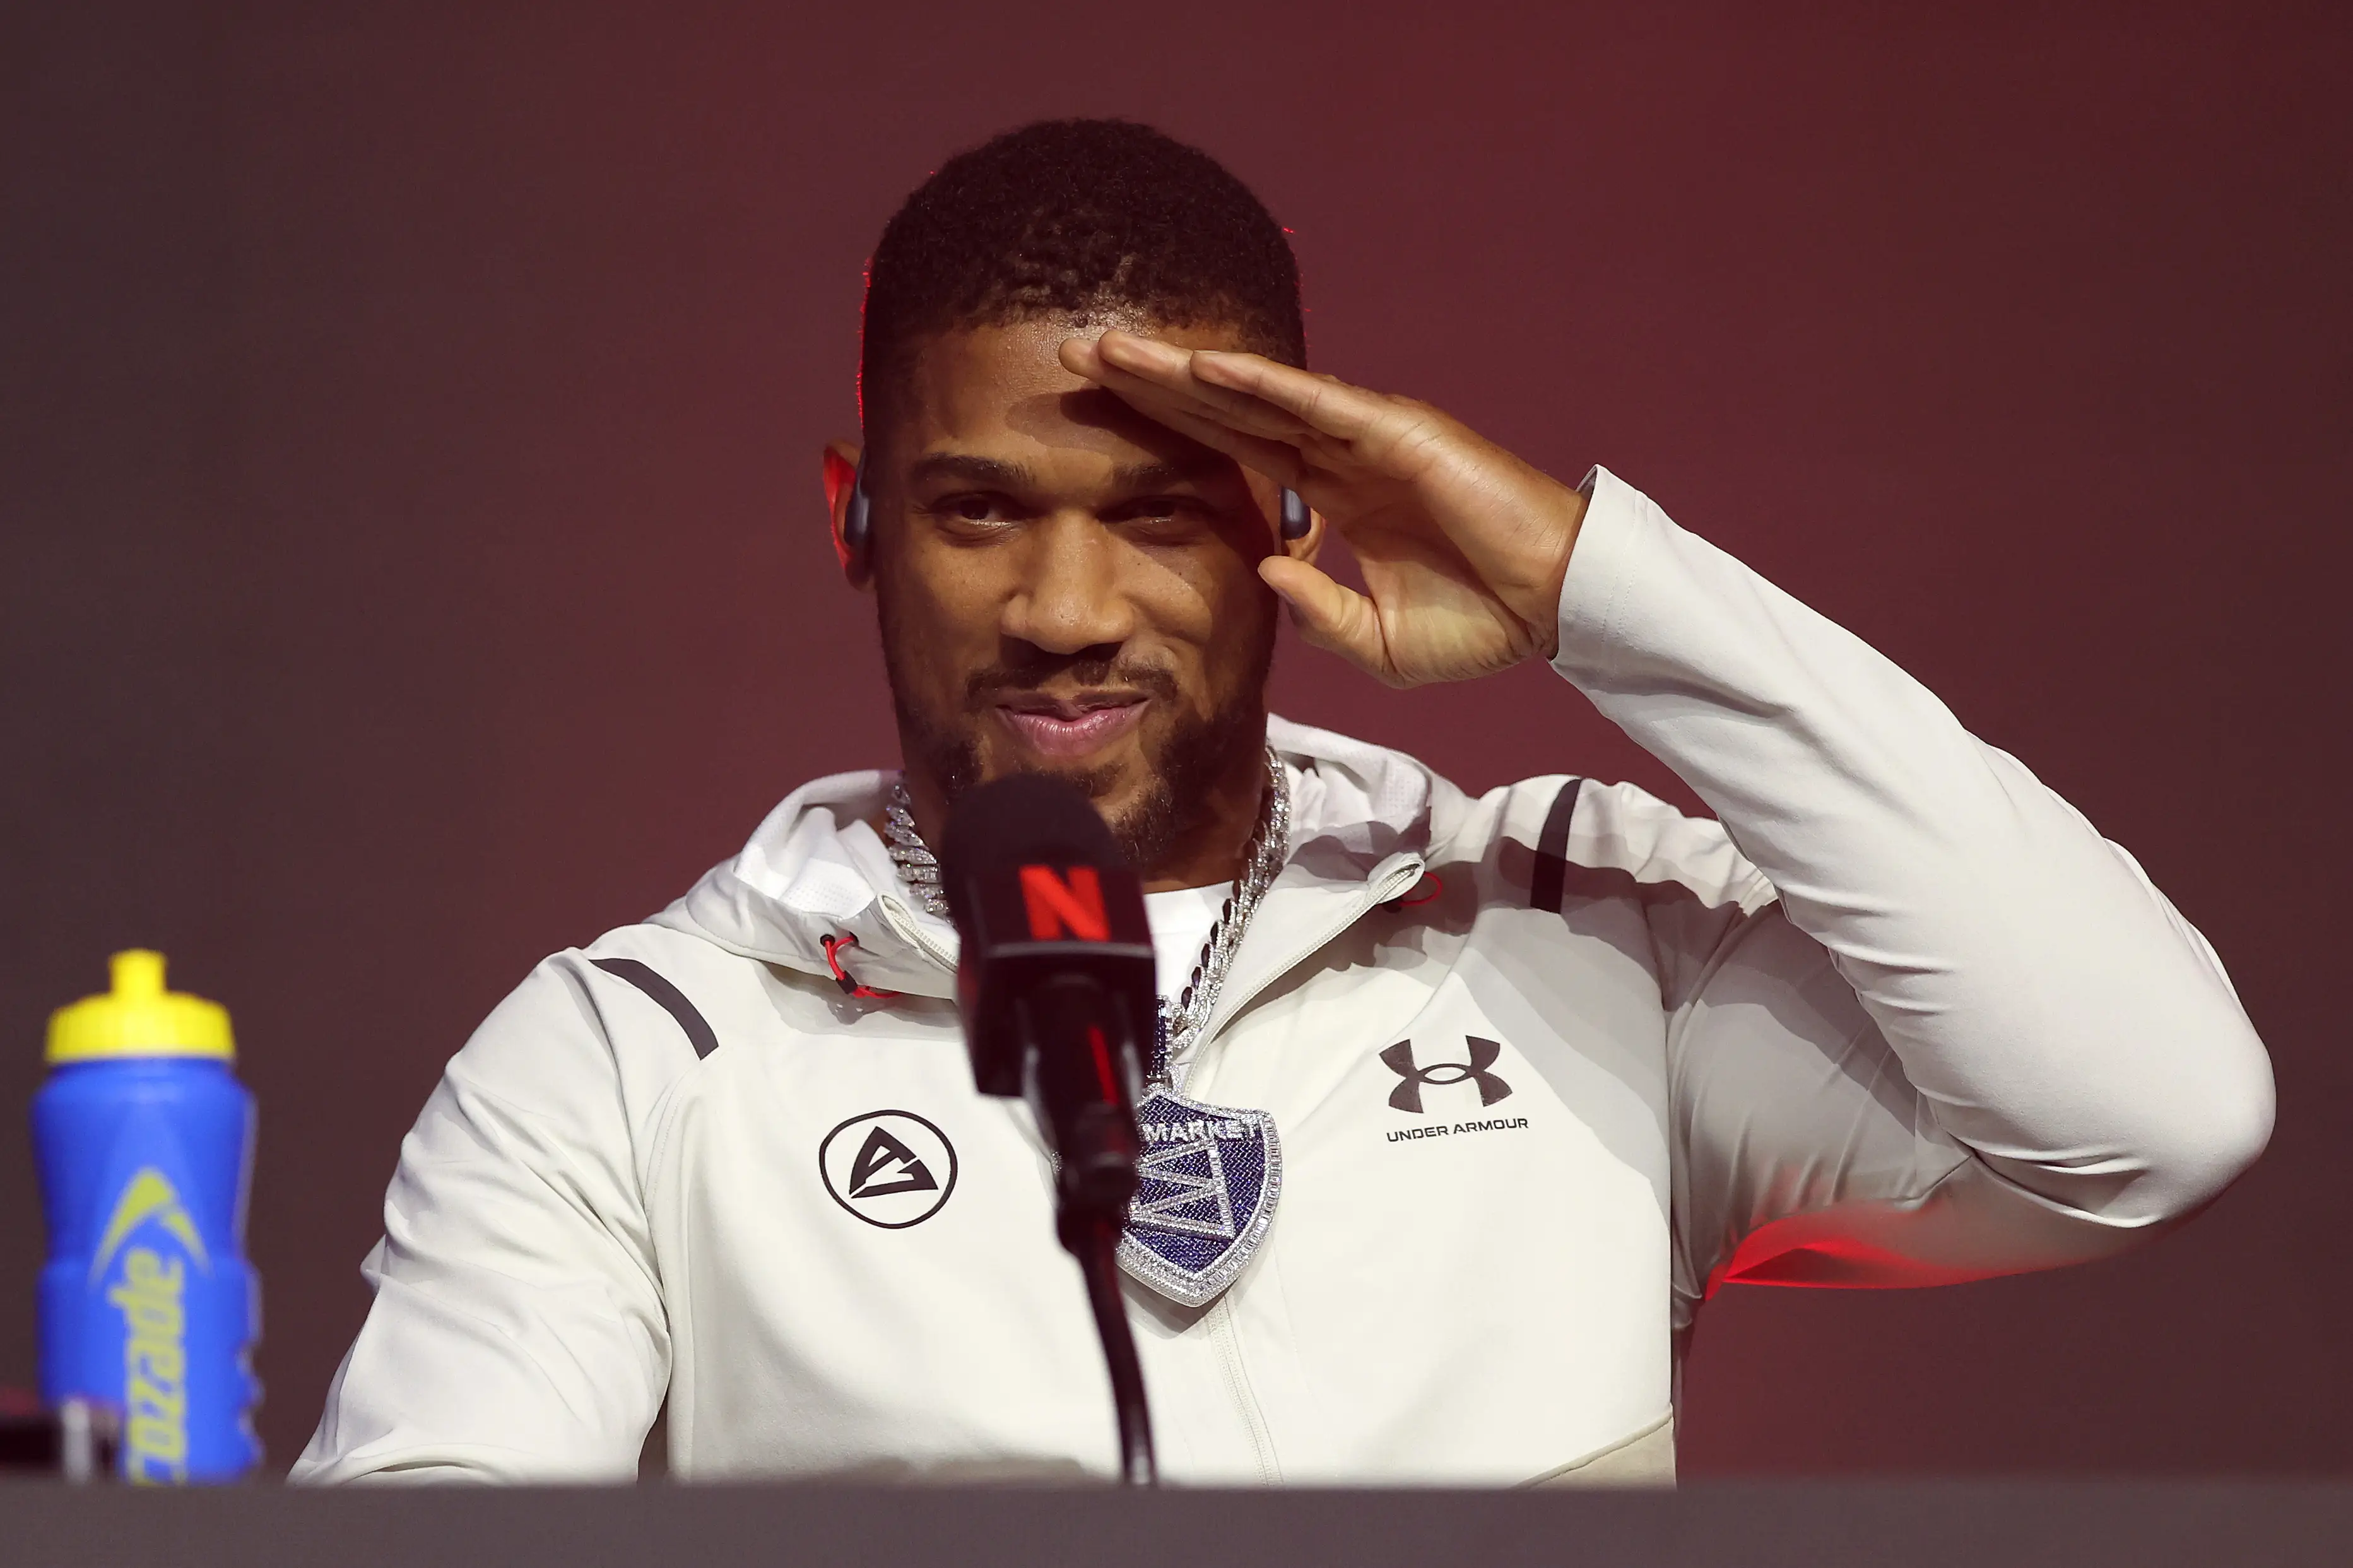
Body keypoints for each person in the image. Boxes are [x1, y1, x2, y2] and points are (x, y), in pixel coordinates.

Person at [293, 119, 2273, 1487]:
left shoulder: (1579, 940)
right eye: (981, 510)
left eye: (1159, 515)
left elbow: (2153, 1116)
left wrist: (1605, 589)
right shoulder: (635, 1057)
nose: (1066, 612)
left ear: (1288, 519)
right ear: (856, 519)